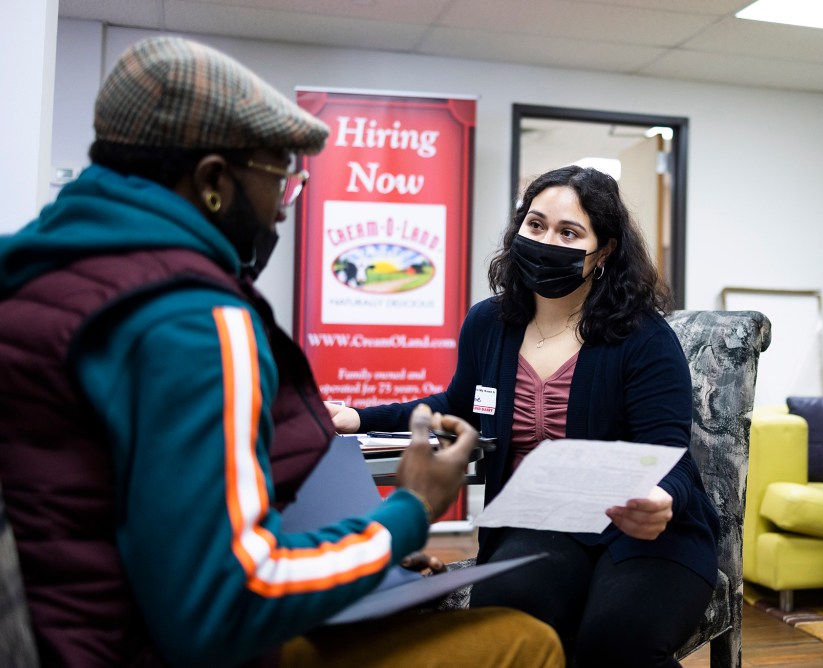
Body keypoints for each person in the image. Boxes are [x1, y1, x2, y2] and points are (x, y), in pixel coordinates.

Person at [0, 36, 563, 668]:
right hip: (161, 648)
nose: (281, 212)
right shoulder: (199, 320)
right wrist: (405, 513)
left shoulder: (31, 274)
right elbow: (226, 603)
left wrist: (368, 561)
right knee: (526, 641)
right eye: (282, 180)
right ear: (214, 180)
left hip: (76, 629)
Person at [330, 165, 720, 666]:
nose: (546, 241)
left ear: (603, 251)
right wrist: (359, 418)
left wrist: (660, 497)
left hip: (644, 534)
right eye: (535, 225)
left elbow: (670, 453)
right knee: (506, 622)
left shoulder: (642, 338)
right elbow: (456, 406)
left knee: (615, 639)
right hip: (539, 526)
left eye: (569, 232)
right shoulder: (488, 324)